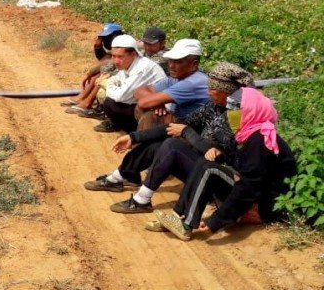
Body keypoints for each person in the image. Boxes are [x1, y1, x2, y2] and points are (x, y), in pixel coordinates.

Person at [89, 62, 253, 214]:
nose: (208, 92)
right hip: (201, 166)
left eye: (213, 89)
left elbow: (216, 153)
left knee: (172, 145)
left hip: (216, 178)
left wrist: (186, 132)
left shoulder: (237, 117)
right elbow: (177, 126)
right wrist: (134, 137)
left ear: (227, 92)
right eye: (208, 87)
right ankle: (120, 176)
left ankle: (142, 199)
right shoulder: (214, 107)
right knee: (158, 142)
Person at [152, 88, 297, 240]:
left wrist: (216, 221)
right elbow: (241, 163)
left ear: (252, 111)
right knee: (206, 161)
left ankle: (186, 225)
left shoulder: (259, 139)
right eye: (230, 110)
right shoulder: (249, 132)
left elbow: (250, 185)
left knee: (210, 170)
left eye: (238, 110)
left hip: (265, 203)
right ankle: (177, 215)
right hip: (256, 191)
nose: (231, 114)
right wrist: (221, 153)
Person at [93, 34, 166, 133]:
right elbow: (117, 78)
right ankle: (128, 129)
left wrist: (107, 84)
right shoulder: (129, 64)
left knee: (110, 101)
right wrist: (112, 83)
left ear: (133, 54)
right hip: (141, 105)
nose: (116, 61)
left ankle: (136, 133)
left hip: (158, 112)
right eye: (113, 56)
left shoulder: (141, 68)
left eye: (120, 57)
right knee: (109, 102)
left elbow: (121, 96)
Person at [133, 38, 209, 125]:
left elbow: (143, 102)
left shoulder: (193, 83)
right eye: (171, 60)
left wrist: (154, 102)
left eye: (178, 62)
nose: (171, 65)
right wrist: (157, 104)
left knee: (151, 114)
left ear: (193, 64)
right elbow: (138, 91)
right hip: (180, 123)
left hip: (192, 130)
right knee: (148, 108)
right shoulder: (177, 77)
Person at [64, 23, 123, 115]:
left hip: (125, 76)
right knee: (99, 74)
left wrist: (90, 73)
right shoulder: (117, 45)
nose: (105, 40)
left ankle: (87, 103)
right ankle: (83, 98)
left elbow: (109, 62)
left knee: (101, 76)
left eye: (106, 37)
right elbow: (104, 59)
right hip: (118, 72)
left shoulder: (125, 45)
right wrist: (98, 47)